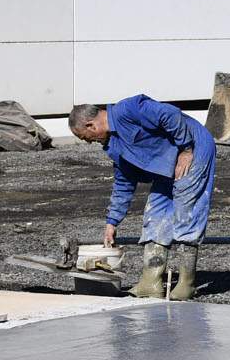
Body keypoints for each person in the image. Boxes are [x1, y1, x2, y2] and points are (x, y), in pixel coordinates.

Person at [68, 96, 216, 301]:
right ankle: (151, 281)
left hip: (194, 148)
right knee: (155, 215)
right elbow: (123, 183)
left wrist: (186, 149)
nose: (88, 142)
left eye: (85, 137)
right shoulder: (113, 145)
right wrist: (112, 222)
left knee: (186, 209)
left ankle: (186, 283)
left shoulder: (128, 109)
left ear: (90, 125)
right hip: (166, 165)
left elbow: (169, 114)